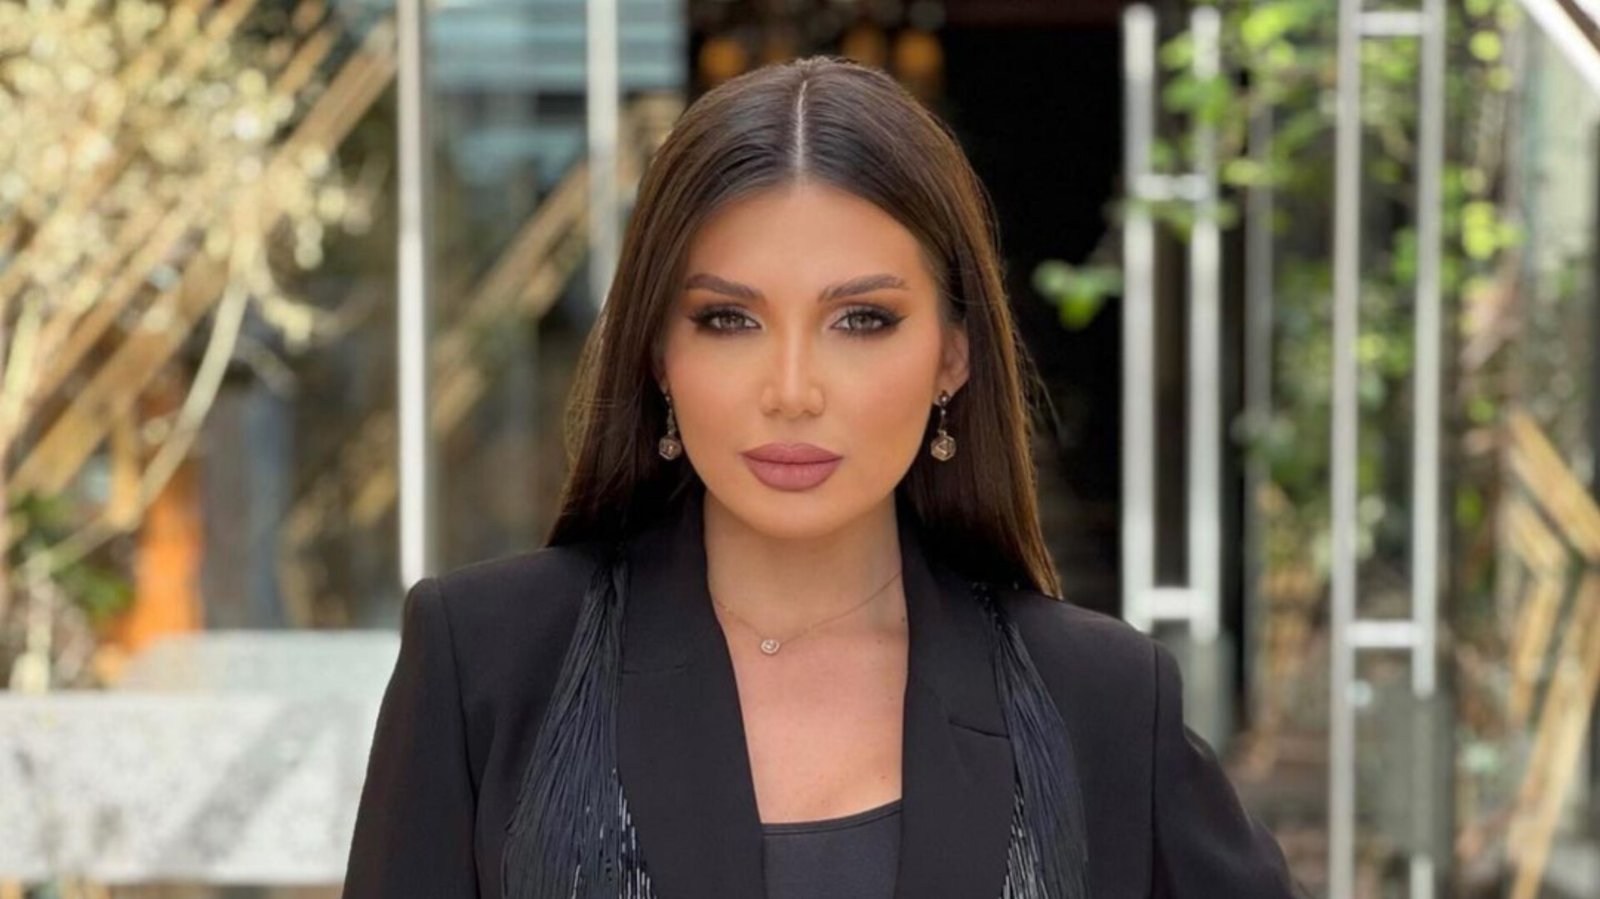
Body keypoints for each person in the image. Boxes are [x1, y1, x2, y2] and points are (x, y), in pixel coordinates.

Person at [343, 55, 1304, 899]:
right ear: (658, 352)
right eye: (729, 319)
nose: (793, 391)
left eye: (861, 320)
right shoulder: (489, 664)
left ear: (954, 355)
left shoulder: (1100, 697)